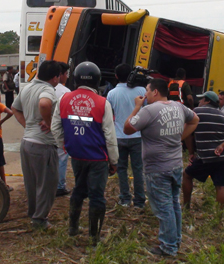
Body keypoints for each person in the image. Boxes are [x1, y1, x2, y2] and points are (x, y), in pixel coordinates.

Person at [123, 78, 199, 257]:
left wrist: (136, 107)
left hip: (157, 168)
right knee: (173, 204)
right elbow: (195, 119)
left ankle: (168, 247)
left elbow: (127, 128)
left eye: (147, 92)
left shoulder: (149, 110)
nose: (146, 96)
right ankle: (175, 239)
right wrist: (178, 137)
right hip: (174, 165)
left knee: (164, 207)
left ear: (155, 92)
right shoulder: (178, 106)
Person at [51, 61, 119, 244]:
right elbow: (110, 136)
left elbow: (55, 127)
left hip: (77, 156)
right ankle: (94, 236)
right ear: (97, 80)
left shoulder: (64, 99)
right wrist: (114, 161)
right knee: (97, 196)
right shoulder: (102, 103)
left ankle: (73, 228)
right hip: (98, 158)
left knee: (78, 191)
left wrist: (65, 146)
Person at [12, 60, 61, 230]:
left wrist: (27, 125)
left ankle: (33, 213)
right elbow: (44, 104)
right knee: (47, 184)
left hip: (27, 143)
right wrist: (49, 122)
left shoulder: (27, 87)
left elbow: (14, 108)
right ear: (55, 78)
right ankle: (40, 219)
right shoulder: (48, 90)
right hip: (43, 144)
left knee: (32, 183)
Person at [183, 91, 224, 209]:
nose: (199, 102)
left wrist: (191, 153)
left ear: (207, 101)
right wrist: (222, 145)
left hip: (206, 157)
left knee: (187, 175)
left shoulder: (196, 113)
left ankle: (186, 206)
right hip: (223, 157)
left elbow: (187, 134)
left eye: (202, 99)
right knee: (220, 186)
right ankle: (219, 216)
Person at [107, 64, 147, 208]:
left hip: (119, 135)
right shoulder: (141, 91)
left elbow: (109, 115)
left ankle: (125, 198)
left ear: (116, 76)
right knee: (138, 169)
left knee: (122, 168)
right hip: (137, 135)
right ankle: (139, 201)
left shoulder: (112, 93)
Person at [54, 62, 72, 197]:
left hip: (44, 130)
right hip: (60, 130)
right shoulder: (66, 92)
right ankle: (60, 186)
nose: (67, 77)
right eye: (66, 74)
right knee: (61, 158)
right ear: (60, 75)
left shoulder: (43, 89)